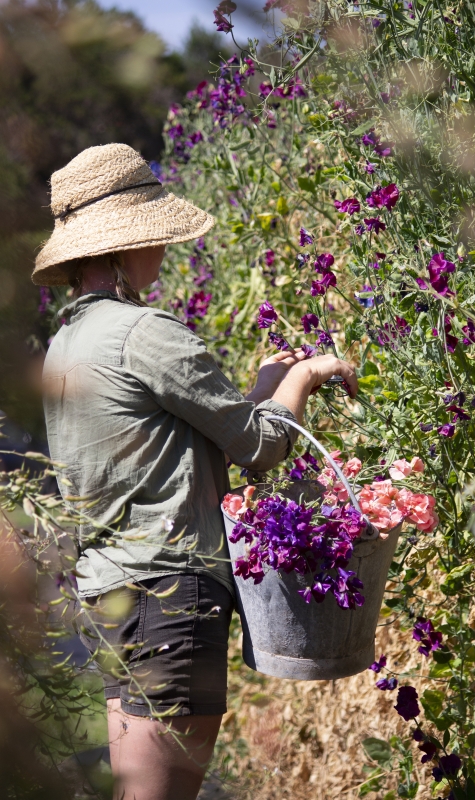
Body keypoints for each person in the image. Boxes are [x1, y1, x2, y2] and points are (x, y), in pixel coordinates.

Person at [33, 144, 357, 800]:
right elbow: (262, 447)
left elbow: (175, 442)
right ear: (124, 248)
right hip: (169, 601)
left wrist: (263, 387)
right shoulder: (145, 332)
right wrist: (303, 375)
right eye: (155, 237)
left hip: (112, 597)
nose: (164, 253)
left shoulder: (66, 345)